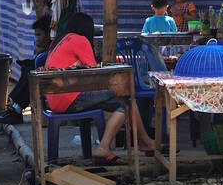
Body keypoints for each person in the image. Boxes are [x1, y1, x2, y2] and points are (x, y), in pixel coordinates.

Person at [45, 12, 154, 162]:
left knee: (126, 100)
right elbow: (95, 72)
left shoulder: (60, 41)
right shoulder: (79, 40)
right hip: (69, 98)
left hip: (55, 100)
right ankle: (113, 146)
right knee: (127, 98)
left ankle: (144, 141)